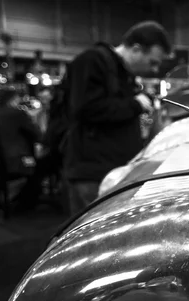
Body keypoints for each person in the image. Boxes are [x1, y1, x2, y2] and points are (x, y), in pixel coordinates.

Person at [63, 21, 171, 215]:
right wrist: (135, 104)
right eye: (152, 62)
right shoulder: (93, 61)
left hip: (113, 172)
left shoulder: (122, 73)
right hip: (93, 173)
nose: (154, 69)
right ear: (136, 49)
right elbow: (86, 109)